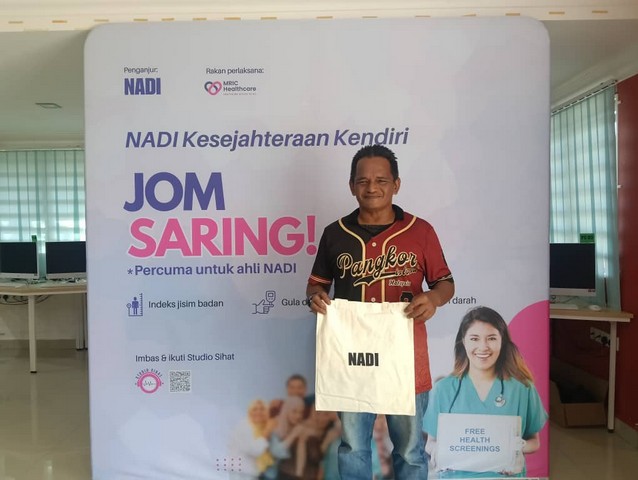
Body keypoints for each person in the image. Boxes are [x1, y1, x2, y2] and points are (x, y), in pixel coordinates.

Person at [306, 144, 455, 480]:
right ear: (351, 186)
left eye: (381, 180)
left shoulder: (421, 231)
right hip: (351, 360)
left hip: (406, 357)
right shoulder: (335, 233)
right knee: (353, 447)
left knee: (410, 451)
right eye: (363, 181)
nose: (371, 187)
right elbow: (316, 285)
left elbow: (445, 283)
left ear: (396, 184)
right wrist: (315, 297)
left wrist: (434, 298)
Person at [423, 306, 548, 478]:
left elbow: (534, 442)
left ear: (502, 341)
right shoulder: (443, 389)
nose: (483, 347)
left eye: (491, 338)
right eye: (474, 339)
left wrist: (515, 447)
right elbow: (430, 443)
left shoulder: (522, 388)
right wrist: (439, 451)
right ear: (463, 342)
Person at [227, 399, 276, 480]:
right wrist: (267, 431)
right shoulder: (244, 426)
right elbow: (254, 450)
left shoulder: (262, 427)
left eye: (262, 409)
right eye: (255, 409)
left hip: (256, 472)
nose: (259, 412)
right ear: (249, 412)